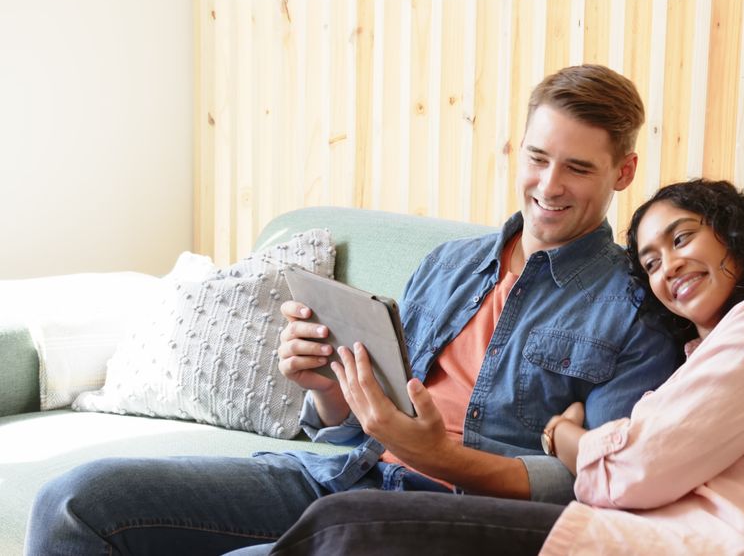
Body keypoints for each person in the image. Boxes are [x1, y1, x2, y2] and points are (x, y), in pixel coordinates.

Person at [25, 64, 682, 555]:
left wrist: (437, 455)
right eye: (538, 158)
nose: (549, 185)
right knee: (72, 503)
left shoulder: (636, 305)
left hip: (448, 516)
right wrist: (328, 394)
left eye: (578, 168)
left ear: (622, 173)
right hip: (344, 474)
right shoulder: (450, 264)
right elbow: (354, 427)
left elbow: (599, 484)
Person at [263, 179, 744, 556]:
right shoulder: (702, 357)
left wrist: (565, 437)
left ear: (733, 234)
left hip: (708, 545)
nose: (668, 268)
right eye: (651, 262)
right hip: (636, 537)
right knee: (335, 524)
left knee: (346, 526)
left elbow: (634, 470)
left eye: (682, 239)